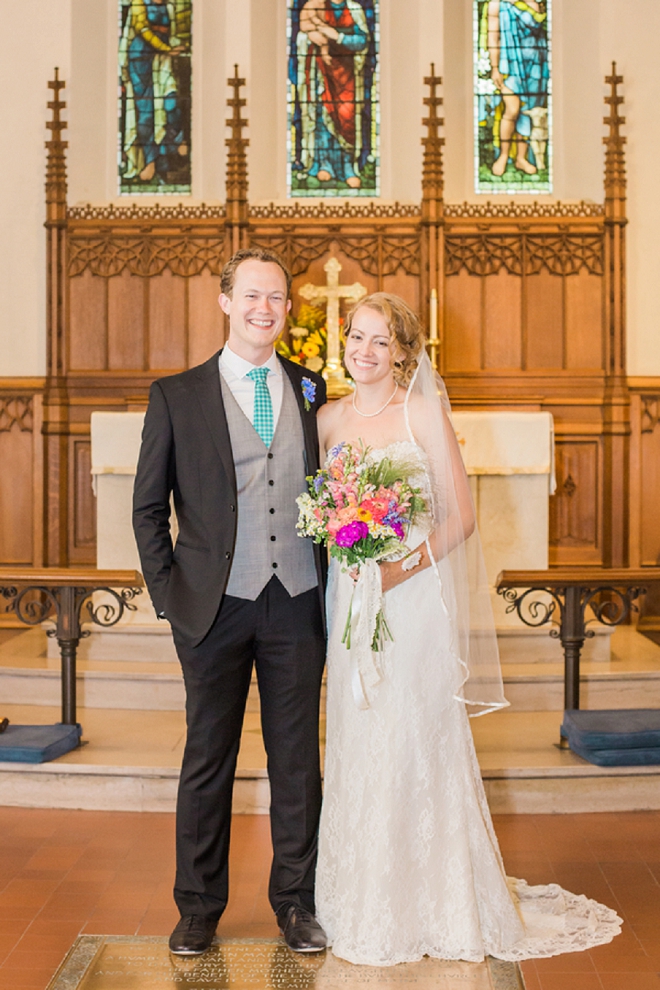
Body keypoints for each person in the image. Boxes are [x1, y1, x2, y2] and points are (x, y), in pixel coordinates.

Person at [314, 293, 622, 965]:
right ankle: (359, 897)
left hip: (412, 601)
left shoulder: (421, 412)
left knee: (412, 736)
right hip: (351, 601)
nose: (363, 351)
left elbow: (460, 516)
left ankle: (435, 899)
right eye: (355, 337)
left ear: (403, 351)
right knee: (358, 735)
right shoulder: (328, 419)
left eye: (378, 341)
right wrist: (352, 553)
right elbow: (325, 513)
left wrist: (398, 569)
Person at [133, 248, 328, 956]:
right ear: (224, 301)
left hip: (298, 601)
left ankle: (297, 903)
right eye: (252, 295)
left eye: (276, 297)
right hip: (214, 606)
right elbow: (148, 509)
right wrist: (171, 598)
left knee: (296, 761)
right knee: (208, 758)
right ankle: (197, 906)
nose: (264, 308)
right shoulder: (176, 395)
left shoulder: (311, 389)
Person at [292, 0, 375, 190]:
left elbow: (362, 41)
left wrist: (338, 37)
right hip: (321, 73)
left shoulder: (354, 10)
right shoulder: (317, 4)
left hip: (347, 75)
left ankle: (347, 166)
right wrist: (310, 37)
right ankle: (322, 163)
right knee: (322, 114)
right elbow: (304, 33)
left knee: (347, 116)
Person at [120, 0, 190, 185]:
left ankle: (177, 144)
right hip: (141, 59)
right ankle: (152, 163)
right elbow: (143, 30)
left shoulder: (169, 5)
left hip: (163, 60)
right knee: (146, 114)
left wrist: (178, 46)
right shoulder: (139, 3)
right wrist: (168, 49)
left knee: (171, 102)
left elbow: (175, 31)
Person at [485, 0, 549, 176]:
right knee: (512, 110)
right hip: (510, 64)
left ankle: (521, 158)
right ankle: (504, 155)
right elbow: (493, 37)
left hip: (535, 63)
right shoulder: (497, 5)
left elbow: (538, 22)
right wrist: (495, 67)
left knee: (528, 110)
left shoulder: (533, 3)